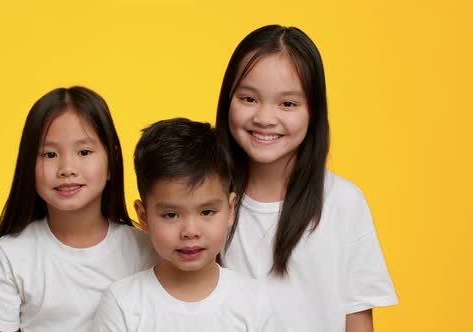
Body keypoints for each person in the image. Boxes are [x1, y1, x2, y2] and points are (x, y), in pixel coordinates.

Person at [215, 25, 398, 332]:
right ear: (227, 100)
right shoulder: (208, 201)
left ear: (313, 111)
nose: (264, 118)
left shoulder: (342, 201)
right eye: (248, 98)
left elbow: (357, 319)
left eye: (287, 103)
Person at [0, 86, 156, 332]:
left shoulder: (144, 249)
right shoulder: (13, 254)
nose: (67, 168)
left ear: (112, 161)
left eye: (84, 152)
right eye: (50, 154)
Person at [92, 118, 287, 332]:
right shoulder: (123, 304)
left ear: (231, 209)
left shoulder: (254, 302)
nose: (190, 232)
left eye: (207, 212)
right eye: (171, 215)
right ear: (144, 217)